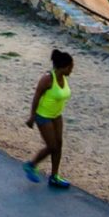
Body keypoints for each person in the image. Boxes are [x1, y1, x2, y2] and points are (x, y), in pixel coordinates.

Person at [24, 50, 75, 190]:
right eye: (70, 67)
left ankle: (54, 176)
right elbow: (36, 97)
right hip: (43, 116)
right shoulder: (47, 79)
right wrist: (32, 117)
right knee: (51, 146)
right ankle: (31, 165)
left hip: (57, 115)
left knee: (59, 144)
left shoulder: (63, 78)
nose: (72, 70)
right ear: (63, 67)